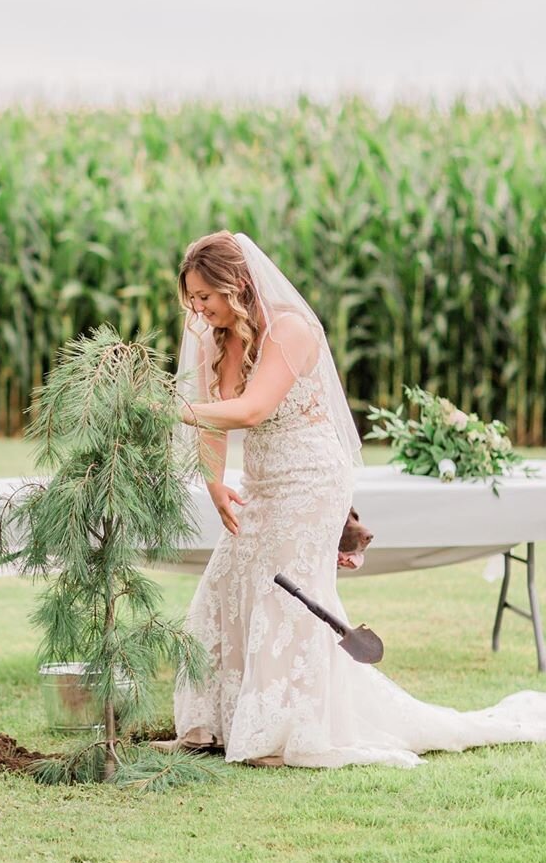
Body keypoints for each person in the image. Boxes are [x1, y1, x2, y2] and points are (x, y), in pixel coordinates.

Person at [166, 230, 546, 767]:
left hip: (310, 480)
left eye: (206, 295)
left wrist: (167, 410)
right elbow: (213, 422)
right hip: (262, 482)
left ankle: (284, 730)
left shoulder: (290, 330)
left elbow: (250, 410)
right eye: (192, 298)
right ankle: (214, 725)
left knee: (288, 597)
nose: (198, 308)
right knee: (226, 586)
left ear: (237, 284)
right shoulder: (213, 338)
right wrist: (213, 483)